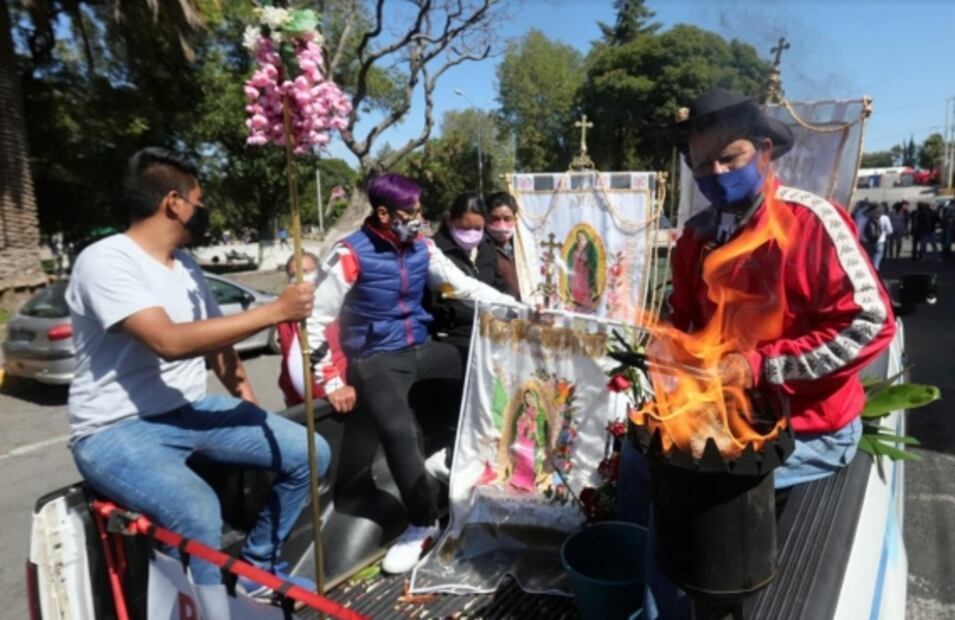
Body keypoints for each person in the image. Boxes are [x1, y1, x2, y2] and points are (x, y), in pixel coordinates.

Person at [616, 89, 896, 619]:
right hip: (722, 414)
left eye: (731, 157)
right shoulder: (696, 239)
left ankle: (665, 608)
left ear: (765, 152)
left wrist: (760, 365)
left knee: (684, 488)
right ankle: (638, 585)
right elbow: (686, 321)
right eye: (703, 164)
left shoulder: (812, 221)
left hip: (806, 429)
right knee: (639, 453)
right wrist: (668, 342)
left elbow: (871, 322)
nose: (717, 172)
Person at [66, 148, 330, 601]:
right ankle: (214, 611)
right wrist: (275, 312)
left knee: (310, 452)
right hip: (114, 430)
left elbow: (218, 346)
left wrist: (248, 403)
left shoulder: (186, 266)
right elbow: (167, 340)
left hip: (188, 410)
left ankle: (258, 567)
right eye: (198, 199)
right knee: (197, 510)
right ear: (174, 202)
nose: (202, 210)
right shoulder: (105, 260)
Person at [305, 173, 521, 575]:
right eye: (409, 213)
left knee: (488, 369)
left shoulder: (423, 246)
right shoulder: (349, 253)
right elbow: (314, 321)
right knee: (399, 432)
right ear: (384, 213)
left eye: (420, 211)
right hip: (376, 356)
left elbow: (463, 287)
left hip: (420, 346)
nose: (418, 219)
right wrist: (332, 381)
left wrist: (514, 307)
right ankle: (423, 521)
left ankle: (453, 457)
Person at [430, 192, 510, 363]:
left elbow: (498, 284)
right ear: (450, 220)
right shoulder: (436, 254)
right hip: (451, 339)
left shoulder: (487, 249)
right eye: (465, 228)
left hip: (488, 335)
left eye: (478, 228)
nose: (471, 234)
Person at [277, 252, 348, 406]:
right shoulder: (286, 313)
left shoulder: (336, 307)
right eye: (294, 274)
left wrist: (337, 385)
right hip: (295, 400)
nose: (301, 278)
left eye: (307, 271)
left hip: (333, 397)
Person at [485, 192, 522, 299]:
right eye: (495, 219)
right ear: (486, 218)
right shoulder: (483, 249)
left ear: (515, 219)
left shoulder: (521, 249)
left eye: (507, 219)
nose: (502, 225)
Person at [868, 203, 893, 270]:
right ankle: (875, 273)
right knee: (877, 259)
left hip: (869, 240)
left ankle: (870, 271)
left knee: (869, 259)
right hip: (880, 241)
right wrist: (884, 233)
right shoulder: (885, 218)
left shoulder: (868, 216)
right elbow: (890, 231)